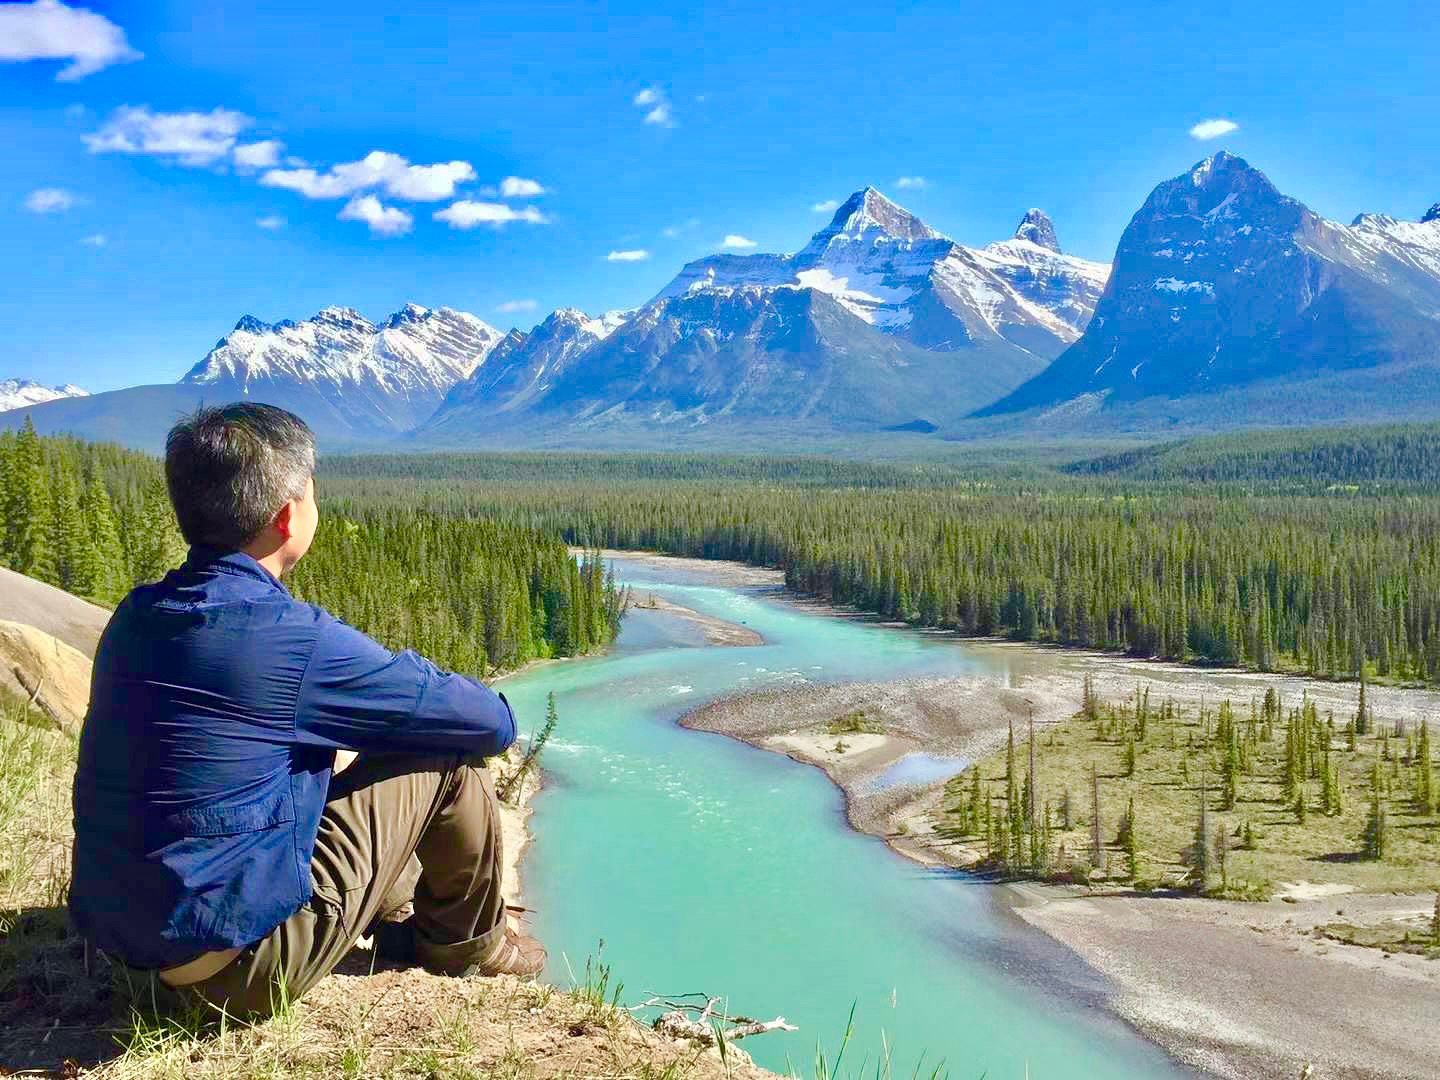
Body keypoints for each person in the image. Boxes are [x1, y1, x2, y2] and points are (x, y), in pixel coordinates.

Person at [70, 402, 544, 1019]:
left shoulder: (136, 614)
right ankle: (464, 949)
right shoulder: (291, 638)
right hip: (232, 974)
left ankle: (398, 905)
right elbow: (491, 724)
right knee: (449, 756)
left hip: (122, 949)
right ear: (286, 515)